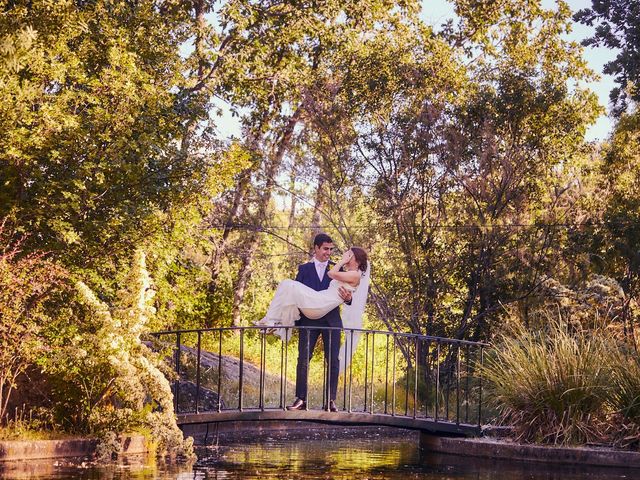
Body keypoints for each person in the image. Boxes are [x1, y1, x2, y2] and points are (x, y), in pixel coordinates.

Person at [255, 234, 368, 412]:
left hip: (331, 320)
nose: (328, 253)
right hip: (309, 318)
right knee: (303, 359)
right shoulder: (304, 269)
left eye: (331, 249)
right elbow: (295, 294)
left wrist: (348, 300)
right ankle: (301, 399)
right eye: (325, 249)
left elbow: (349, 293)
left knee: (333, 361)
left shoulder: (339, 270)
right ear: (315, 248)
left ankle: (330, 401)